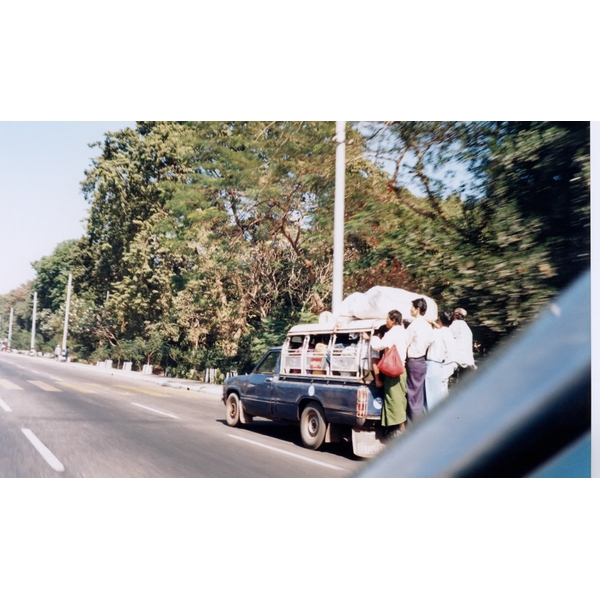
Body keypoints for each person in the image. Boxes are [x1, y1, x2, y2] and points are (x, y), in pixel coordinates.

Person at [367, 310, 408, 437]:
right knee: (399, 398)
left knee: (393, 398)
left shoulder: (393, 332)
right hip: (401, 368)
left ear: (394, 320)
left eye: (388, 319)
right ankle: (395, 429)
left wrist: (373, 337)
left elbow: (378, 346)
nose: (387, 322)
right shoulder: (403, 331)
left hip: (393, 370)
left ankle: (401, 429)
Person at [405, 298, 433, 421]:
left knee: (411, 394)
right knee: (418, 395)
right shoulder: (428, 326)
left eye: (412, 307)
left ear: (417, 309)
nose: (410, 309)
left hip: (413, 361)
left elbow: (405, 342)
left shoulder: (414, 325)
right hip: (422, 361)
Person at [425, 310, 456, 410]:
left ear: (440, 319)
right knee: (437, 395)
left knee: (429, 395)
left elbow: (426, 342)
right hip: (442, 365)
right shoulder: (449, 334)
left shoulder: (435, 333)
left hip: (431, 364)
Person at [450, 307, 475, 373]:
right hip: (468, 361)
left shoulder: (455, 324)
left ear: (455, 315)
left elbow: (445, 334)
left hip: (456, 359)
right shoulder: (466, 327)